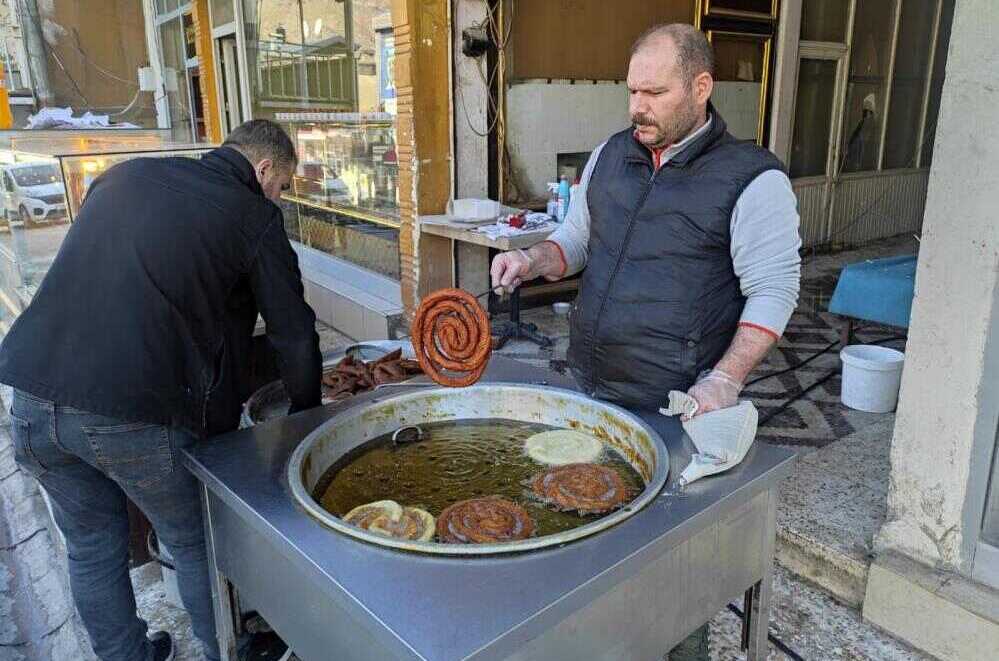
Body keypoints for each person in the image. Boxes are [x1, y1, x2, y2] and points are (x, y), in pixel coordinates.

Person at [490, 24, 801, 659]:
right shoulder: (612, 154)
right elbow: (574, 242)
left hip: (674, 410)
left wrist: (726, 378)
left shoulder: (751, 179)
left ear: (701, 88)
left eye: (654, 93)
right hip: (591, 389)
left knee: (671, 580)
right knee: (580, 537)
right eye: (632, 91)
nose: (637, 107)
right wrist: (531, 260)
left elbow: (775, 289)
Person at [0, 119, 323, 661]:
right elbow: (293, 333)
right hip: (129, 415)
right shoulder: (253, 215)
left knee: (90, 547)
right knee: (194, 539)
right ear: (263, 168)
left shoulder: (124, 176)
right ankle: (229, 650)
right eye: (283, 185)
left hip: (31, 394)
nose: (279, 198)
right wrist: (307, 415)